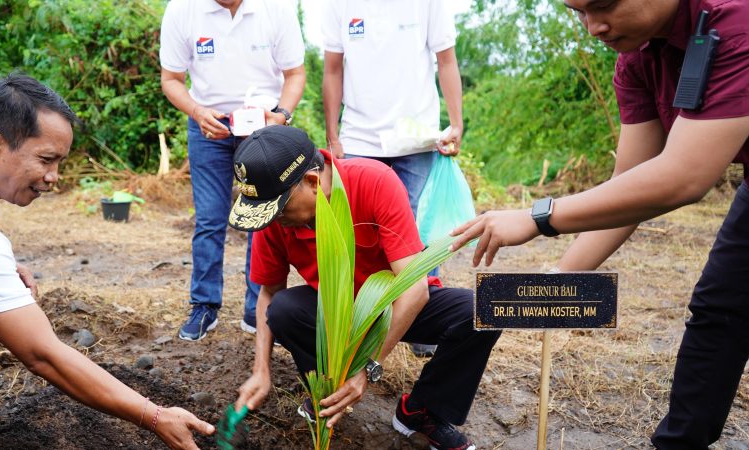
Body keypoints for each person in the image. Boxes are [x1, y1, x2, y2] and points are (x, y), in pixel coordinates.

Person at [449, 0, 749, 448]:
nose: (593, 28)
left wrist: (539, 217)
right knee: (719, 310)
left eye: (604, 6)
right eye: (578, 13)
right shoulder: (637, 58)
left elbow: (685, 177)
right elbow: (629, 189)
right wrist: (553, 286)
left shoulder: (738, 23)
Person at [0, 73, 214, 450]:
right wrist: (153, 415)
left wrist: (2, 265)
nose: (54, 177)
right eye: (46, 160)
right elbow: (41, 354)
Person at [227, 126, 500, 450]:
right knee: (284, 310)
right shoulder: (274, 220)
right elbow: (269, 294)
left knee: (485, 309)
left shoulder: (373, 182)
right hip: (335, 314)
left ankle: (421, 410)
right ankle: (328, 390)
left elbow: (414, 290)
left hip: (397, 303)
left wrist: (368, 369)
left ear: (313, 182)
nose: (274, 220)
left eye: (280, 209)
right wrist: (262, 370)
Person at [321, 0, 465, 357]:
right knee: (354, 233)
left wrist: (457, 123)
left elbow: (446, 60)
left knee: (416, 233)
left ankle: (420, 323)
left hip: (416, 138)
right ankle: (359, 323)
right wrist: (333, 136)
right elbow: (333, 69)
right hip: (357, 138)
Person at [159, 0, 306, 341]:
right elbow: (171, 79)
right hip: (208, 126)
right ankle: (204, 306)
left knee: (263, 218)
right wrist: (197, 112)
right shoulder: (182, 9)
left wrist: (281, 114)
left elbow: (295, 73)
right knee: (210, 219)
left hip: (264, 124)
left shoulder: (276, 8)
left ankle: (257, 308)